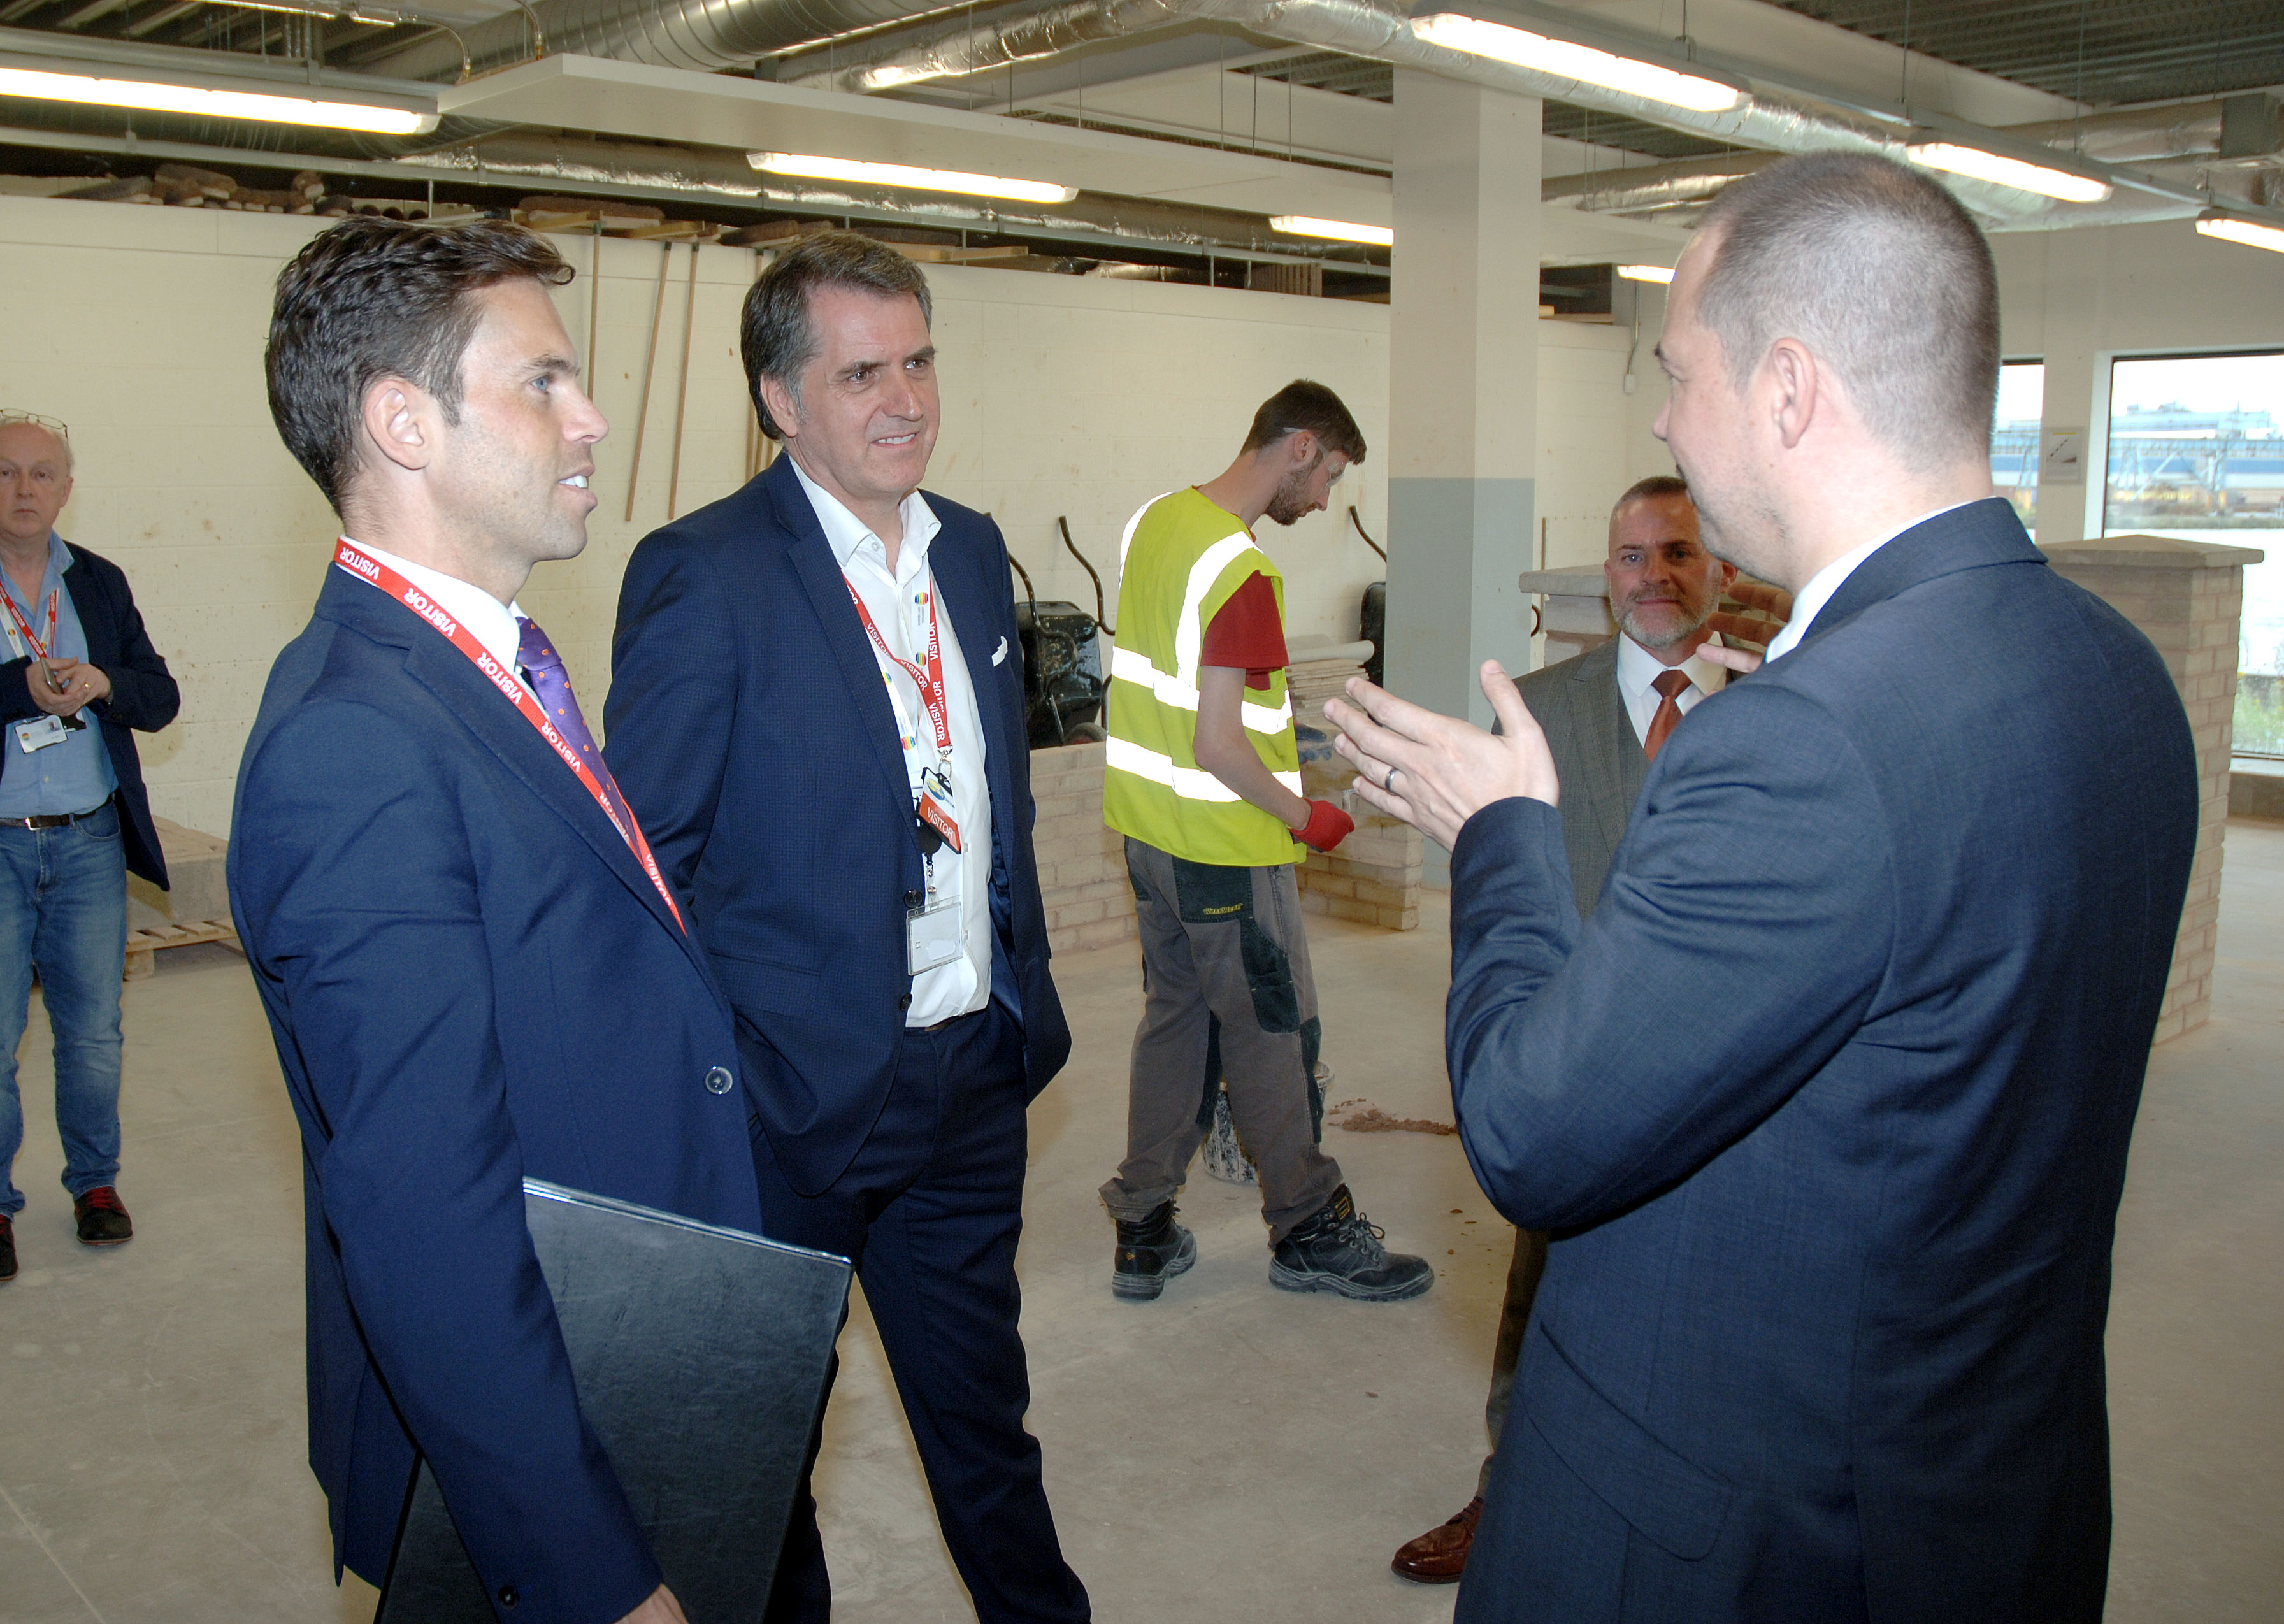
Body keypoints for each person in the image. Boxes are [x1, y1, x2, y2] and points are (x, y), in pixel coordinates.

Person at [1323, 152, 2197, 1621]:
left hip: (1744, 1532)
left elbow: (1534, 1133)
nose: (1662, 415)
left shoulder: (1801, 740)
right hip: (1982, 1491)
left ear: (1786, 389)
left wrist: (1500, 829)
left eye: (1677, 371)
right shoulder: (2108, 673)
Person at [231, 219, 756, 1624]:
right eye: (543, 383)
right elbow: (424, 1221)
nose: (589, 419)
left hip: (629, 1348)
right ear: (404, 423)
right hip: (537, 1457)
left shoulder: (487, 666)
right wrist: (595, 1577)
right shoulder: (356, 743)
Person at [604, 231, 1088, 1624]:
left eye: (919, 359)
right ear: (779, 398)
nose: (905, 398)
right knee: (761, 1459)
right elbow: (647, 870)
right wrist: (733, 1077)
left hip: (965, 1082)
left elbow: (990, 797)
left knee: (984, 1428)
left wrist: (1008, 1000)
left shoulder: (976, 552)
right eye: (861, 370)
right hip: (794, 1108)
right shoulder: (707, 573)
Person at [1390, 475, 1781, 1582]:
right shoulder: (1542, 713)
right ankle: (1505, 1485)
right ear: (1604, 575)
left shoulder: (1773, 707)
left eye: (1676, 552)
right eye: (1629, 556)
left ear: (1716, 571)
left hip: (1738, 1071)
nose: (1652, 574)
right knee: (1538, 1288)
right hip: (1583, 1062)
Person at [1098, 380, 1432, 1305]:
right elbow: (1217, 740)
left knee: (1174, 1022)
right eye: (1330, 474)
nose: (1325, 498)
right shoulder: (1242, 572)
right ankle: (1308, 1224)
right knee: (1271, 1032)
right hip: (1224, 847)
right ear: (1297, 447)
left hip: (1148, 838)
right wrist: (1305, 816)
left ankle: (1144, 1225)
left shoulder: (1158, 524)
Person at [1, 411, 178, 1284]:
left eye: (41, 474)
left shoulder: (99, 584)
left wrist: (104, 682)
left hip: (87, 846)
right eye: (5, 472)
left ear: (67, 488)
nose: (24, 490)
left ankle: (95, 1185)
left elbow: (161, 696)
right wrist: (16, 687)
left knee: (93, 1033)